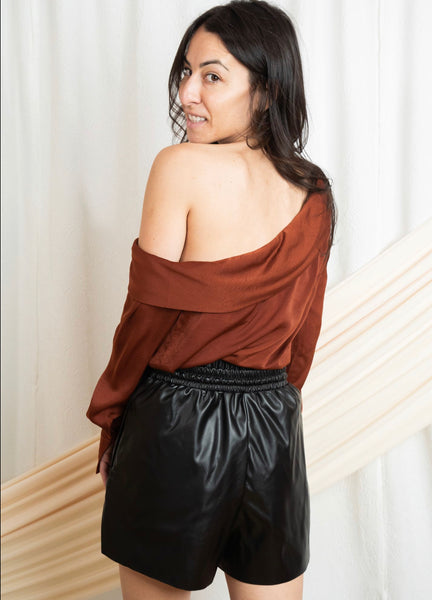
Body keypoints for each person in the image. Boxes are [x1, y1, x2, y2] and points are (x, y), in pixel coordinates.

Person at [86, 1, 337, 598]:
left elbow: (144, 319)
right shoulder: (314, 190)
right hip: (274, 424)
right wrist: (276, 415)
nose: (187, 93)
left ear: (267, 91)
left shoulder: (179, 166)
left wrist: (113, 417)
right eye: (186, 71)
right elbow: (304, 335)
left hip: (176, 424)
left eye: (212, 76)